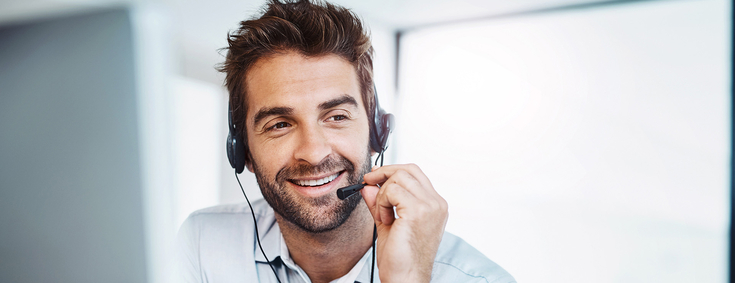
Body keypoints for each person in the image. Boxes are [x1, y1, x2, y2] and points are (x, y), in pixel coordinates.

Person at [176, 1, 516, 282]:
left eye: (337, 116)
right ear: (242, 150)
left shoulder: (476, 278)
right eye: (279, 124)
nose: (313, 152)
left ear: (377, 131)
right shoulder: (202, 245)